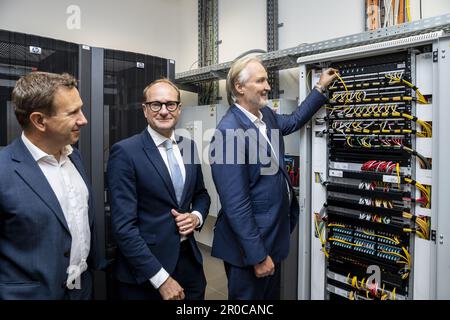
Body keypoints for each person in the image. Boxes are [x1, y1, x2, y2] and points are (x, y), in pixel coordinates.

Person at [210, 56, 337, 300]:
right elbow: (236, 205)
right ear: (239, 87)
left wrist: (319, 88)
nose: (268, 86)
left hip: (271, 237)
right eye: (260, 81)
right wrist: (258, 256)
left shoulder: (264, 116)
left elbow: (292, 121)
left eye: (266, 80)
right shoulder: (228, 133)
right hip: (250, 247)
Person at [0, 72, 101, 300]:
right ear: (39, 120)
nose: (83, 119)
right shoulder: (4, 170)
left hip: (80, 290)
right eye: (73, 112)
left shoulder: (74, 157)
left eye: (81, 109)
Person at [107, 79, 211, 300]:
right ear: (145, 110)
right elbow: (123, 227)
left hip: (189, 263)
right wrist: (160, 278)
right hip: (145, 271)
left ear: (179, 109)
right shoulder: (125, 152)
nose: (164, 111)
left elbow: (201, 194)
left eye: (170, 104)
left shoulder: (188, 146)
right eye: (156, 105)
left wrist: (196, 217)